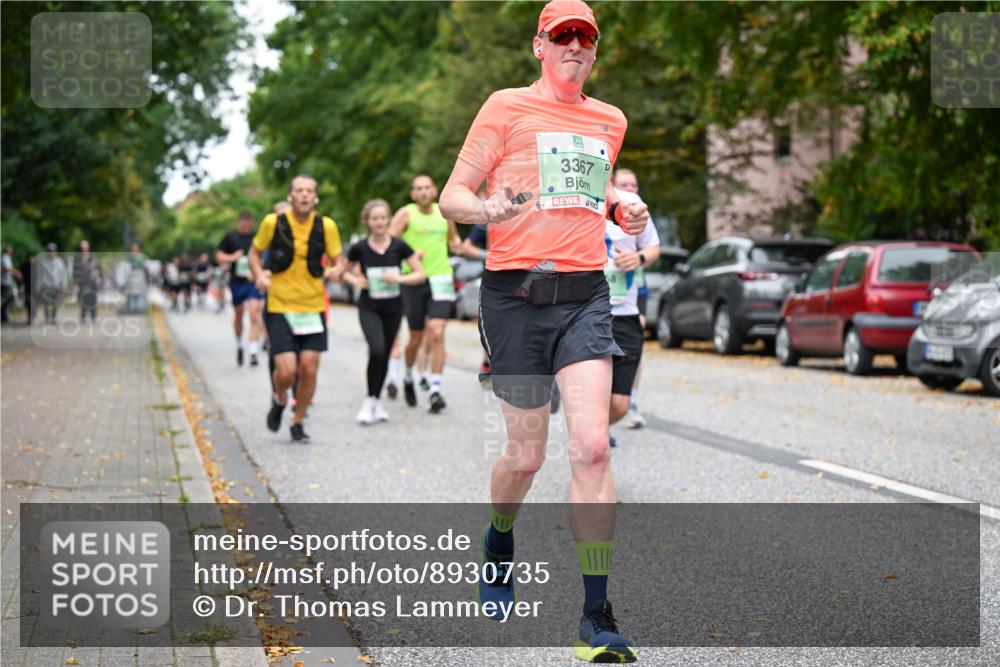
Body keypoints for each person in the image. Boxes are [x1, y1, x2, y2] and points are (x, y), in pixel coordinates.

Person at [439, 1, 647, 662]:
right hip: (515, 297)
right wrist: (485, 208)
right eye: (563, 37)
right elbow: (452, 196)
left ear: (595, 49)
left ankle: (596, 616)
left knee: (592, 448)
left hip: (585, 296)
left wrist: (623, 205)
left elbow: (589, 189)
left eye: (586, 38)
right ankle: (499, 537)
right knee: (526, 457)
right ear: (540, 45)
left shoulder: (610, 120)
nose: (575, 47)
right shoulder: (505, 108)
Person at [249, 175, 343, 443]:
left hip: (313, 307)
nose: (304, 195)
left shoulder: (326, 226)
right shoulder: (273, 223)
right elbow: (254, 253)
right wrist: (260, 274)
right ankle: (280, 398)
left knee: (309, 369)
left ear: (315, 197)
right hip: (280, 306)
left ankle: (298, 420)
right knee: (287, 371)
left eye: (309, 191)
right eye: (299, 190)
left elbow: (338, 260)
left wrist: (337, 270)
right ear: (290, 196)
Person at [339, 199, 425, 425]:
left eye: (383, 218)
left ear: (388, 220)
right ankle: (369, 401)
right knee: (376, 350)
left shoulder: (399, 245)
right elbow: (342, 272)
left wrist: (400, 278)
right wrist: (356, 281)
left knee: (385, 354)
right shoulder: (360, 248)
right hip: (369, 307)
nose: (379, 222)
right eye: (374, 218)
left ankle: (376, 403)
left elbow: (420, 273)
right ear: (367, 222)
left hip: (393, 307)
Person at [389, 174, 462, 413]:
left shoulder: (444, 213)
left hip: (441, 278)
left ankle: (435, 389)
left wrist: (458, 245)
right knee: (416, 338)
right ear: (413, 194)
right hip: (415, 279)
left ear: (434, 190)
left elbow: (453, 240)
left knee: (437, 332)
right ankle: (408, 376)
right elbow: (388, 243)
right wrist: (409, 255)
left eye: (427, 187)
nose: (423, 192)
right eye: (418, 188)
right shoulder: (406, 213)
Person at [605, 170, 660, 446]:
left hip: (624, 311)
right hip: (586, 311)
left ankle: (594, 429)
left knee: (620, 404)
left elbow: (653, 248)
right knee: (592, 385)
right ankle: (591, 437)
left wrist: (637, 258)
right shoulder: (576, 202)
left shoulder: (632, 204)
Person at [612, 169, 650, 429]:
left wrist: (638, 258)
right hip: (594, 305)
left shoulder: (638, 212)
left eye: (634, 184)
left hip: (629, 301)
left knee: (635, 355)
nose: (630, 188)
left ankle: (631, 399)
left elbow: (651, 251)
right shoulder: (600, 207)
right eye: (624, 184)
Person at [217, 212, 266, 367]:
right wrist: (232, 258)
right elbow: (219, 255)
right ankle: (239, 345)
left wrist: (257, 271)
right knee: (239, 315)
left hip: (253, 282)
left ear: (252, 222)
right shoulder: (230, 236)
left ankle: (253, 352)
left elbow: (264, 256)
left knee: (254, 314)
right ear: (238, 222)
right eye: (243, 221)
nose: (245, 224)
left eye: (248, 221)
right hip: (237, 282)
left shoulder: (257, 237)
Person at [35, 243, 68, 325]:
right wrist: (38, 286)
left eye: (52, 251)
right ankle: (47, 318)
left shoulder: (60, 262)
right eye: (49, 251)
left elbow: (63, 275)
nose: (51, 253)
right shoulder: (43, 262)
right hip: (46, 286)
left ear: (56, 252)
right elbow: (40, 275)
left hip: (56, 286)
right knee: (46, 303)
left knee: (55, 303)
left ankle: (53, 318)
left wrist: (63, 285)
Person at [73, 240, 102, 322]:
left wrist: (98, 277)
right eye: (82, 248)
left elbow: (98, 268)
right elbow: (75, 270)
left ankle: (94, 316)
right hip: (82, 282)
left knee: (92, 299)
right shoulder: (77, 258)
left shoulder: (92, 257)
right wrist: (75, 281)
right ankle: (83, 316)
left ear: (88, 248)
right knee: (83, 299)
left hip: (92, 282)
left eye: (85, 247)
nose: (84, 249)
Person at [1, 245, 23, 324]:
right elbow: (7, 268)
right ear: (7, 250)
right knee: (8, 298)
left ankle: (4, 317)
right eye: (10, 250)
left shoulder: (5, 257)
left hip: (6, 282)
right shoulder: (5, 257)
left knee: (8, 299)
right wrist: (16, 272)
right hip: (5, 282)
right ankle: (5, 316)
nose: (12, 251)